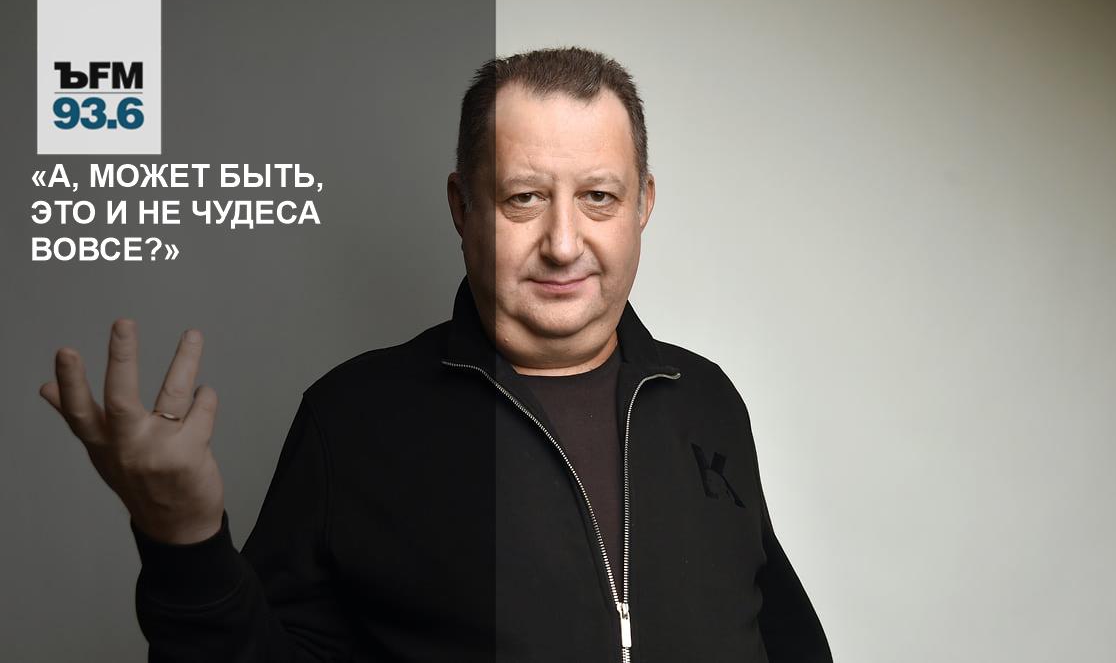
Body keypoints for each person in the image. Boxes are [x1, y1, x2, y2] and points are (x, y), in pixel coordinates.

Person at [39, 46, 833, 662]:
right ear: (463, 206)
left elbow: (788, 640)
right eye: (524, 197)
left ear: (642, 205)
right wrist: (182, 538)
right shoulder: (352, 420)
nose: (564, 243)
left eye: (599, 196)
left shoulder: (706, 399)